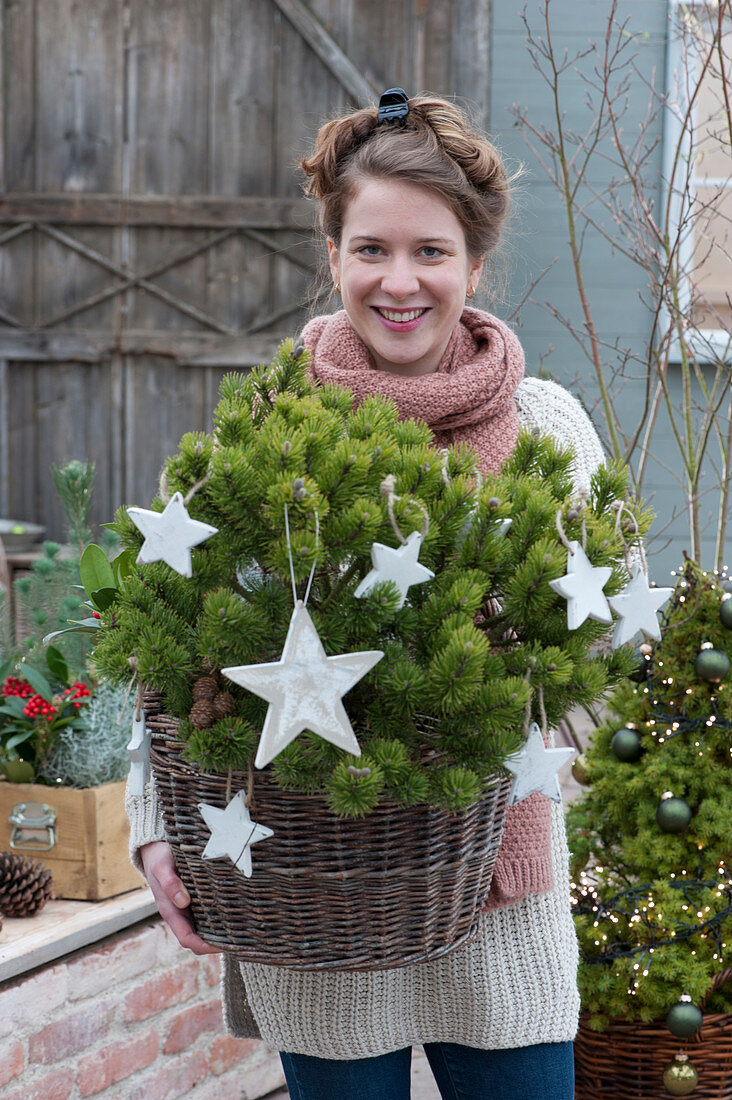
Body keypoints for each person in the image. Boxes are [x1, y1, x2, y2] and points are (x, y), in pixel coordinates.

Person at [130, 89, 605, 1099]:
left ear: (475, 264)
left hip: (503, 902)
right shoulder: (267, 433)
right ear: (333, 254)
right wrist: (152, 826)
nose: (400, 281)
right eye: (371, 249)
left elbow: (601, 658)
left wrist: (501, 741)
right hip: (317, 889)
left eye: (431, 251)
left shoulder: (548, 431)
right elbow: (165, 655)